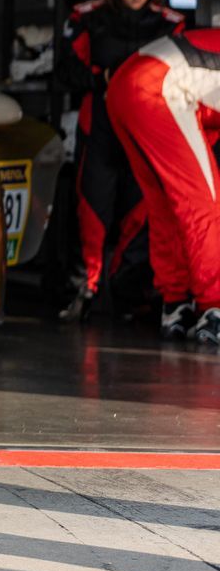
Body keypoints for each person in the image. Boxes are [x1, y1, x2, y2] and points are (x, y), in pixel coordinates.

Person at [58, 0, 185, 319]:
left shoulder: (171, 24)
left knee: (140, 215)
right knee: (91, 213)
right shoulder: (87, 17)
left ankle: (129, 296)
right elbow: (64, 71)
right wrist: (102, 79)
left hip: (147, 134)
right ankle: (85, 292)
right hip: (99, 129)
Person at [105, 29, 220, 344]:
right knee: (204, 203)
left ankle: (175, 303)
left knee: (166, 206)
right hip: (160, 88)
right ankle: (215, 308)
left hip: (125, 88)